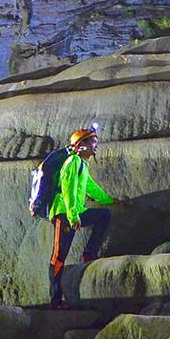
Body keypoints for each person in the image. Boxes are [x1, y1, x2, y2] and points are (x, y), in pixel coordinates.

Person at [48, 126, 115, 309]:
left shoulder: (83, 165)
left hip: (76, 212)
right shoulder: (73, 162)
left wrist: (111, 200)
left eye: (96, 141)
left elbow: (91, 188)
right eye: (92, 141)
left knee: (104, 215)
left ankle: (89, 253)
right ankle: (55, 301)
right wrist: (72, 216)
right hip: (65, 214)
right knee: (58, 257)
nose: (96, 145)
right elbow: (68, 188)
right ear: (81, 145)